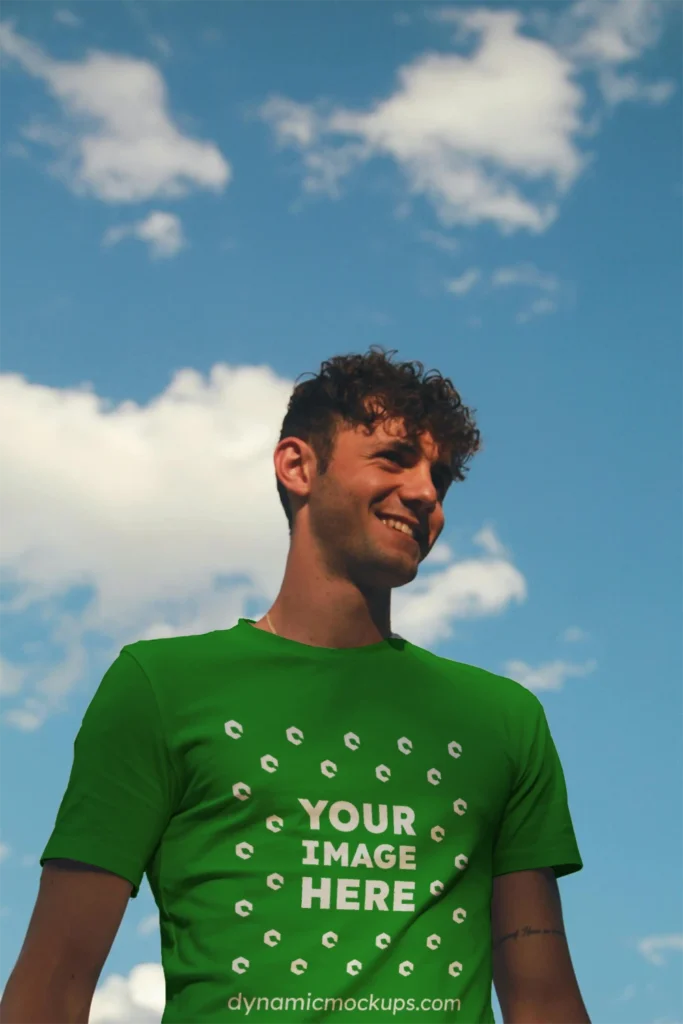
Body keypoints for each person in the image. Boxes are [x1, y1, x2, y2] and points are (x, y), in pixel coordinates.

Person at [0, 346, 591, 1023]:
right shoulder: (159, 686)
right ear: (297, 466)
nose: (427, 492)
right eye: (394, 458)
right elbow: (51, 986)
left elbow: (542, 1000)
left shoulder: (502, 718)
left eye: (442, 476)